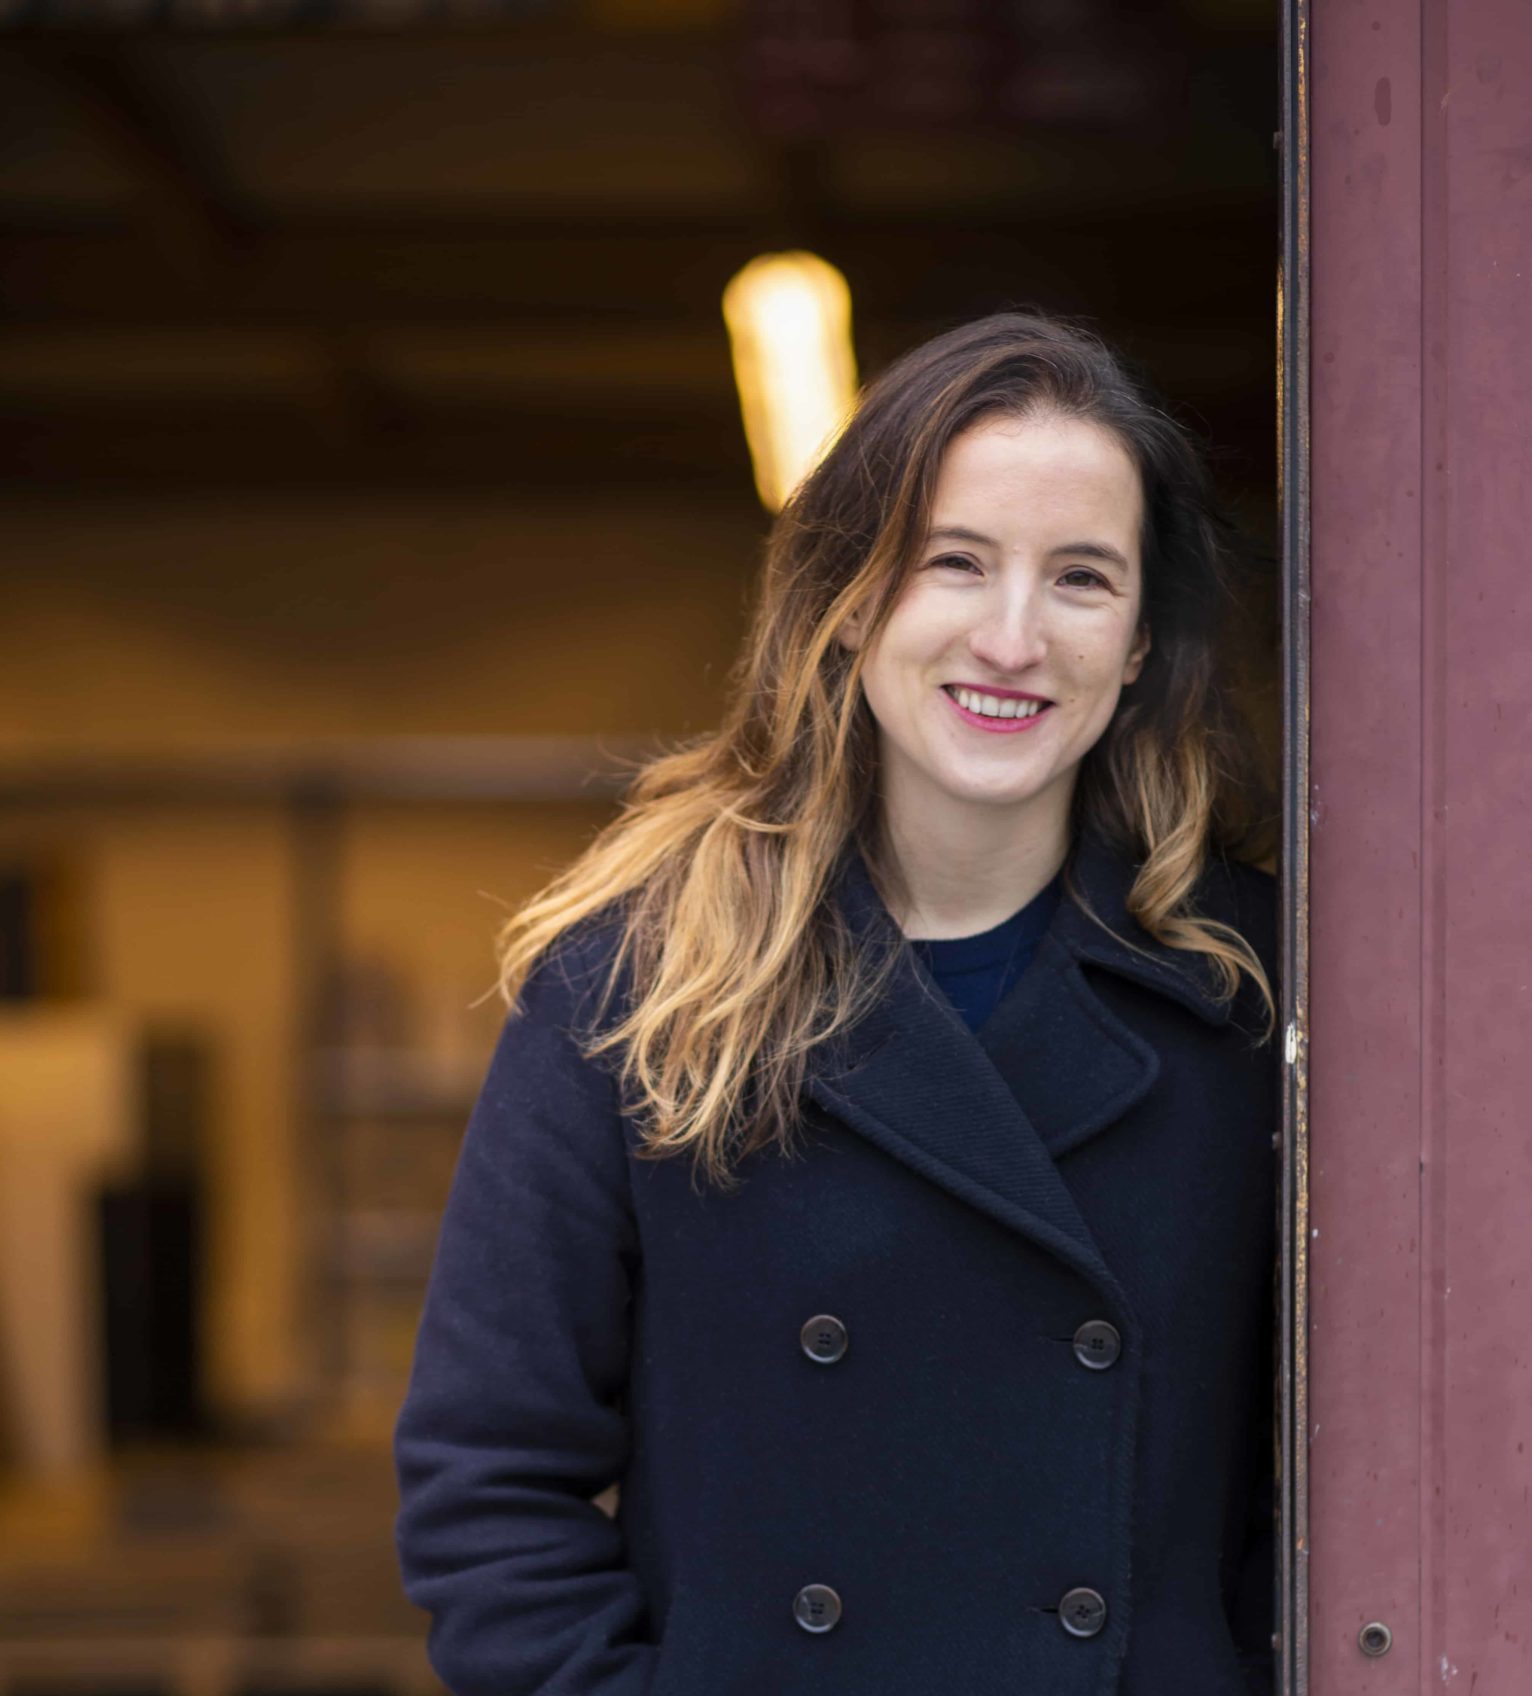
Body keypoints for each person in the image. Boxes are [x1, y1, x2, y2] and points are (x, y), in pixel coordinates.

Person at [392, 308, 1281, 1696]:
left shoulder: (1251, 998)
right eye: (956, 563)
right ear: (848, 598)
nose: (1012, 636)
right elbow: (487, 1484)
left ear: (1141, 642)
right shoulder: (632, 985)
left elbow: (1345, 1490)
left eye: (1081, 579)